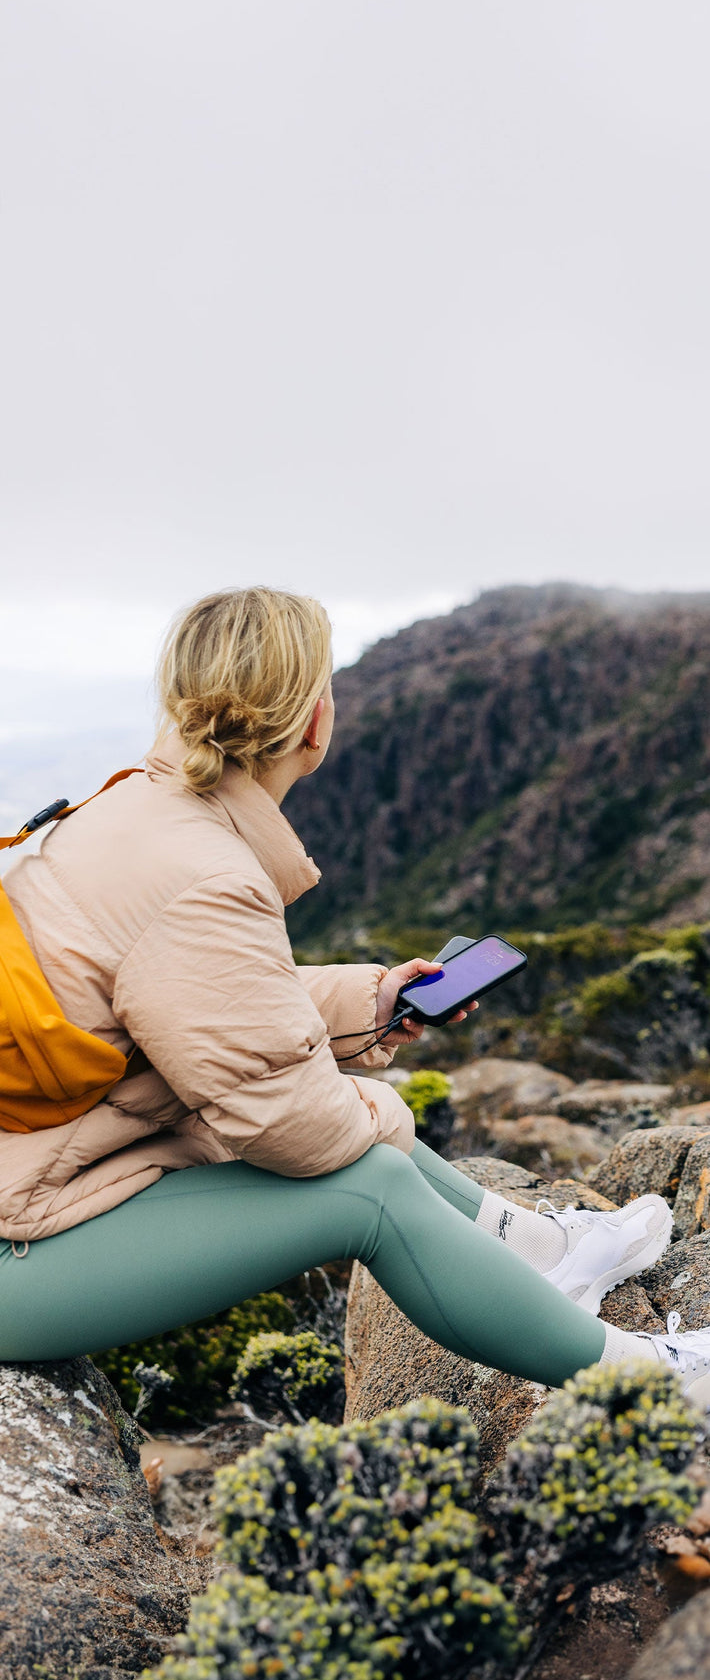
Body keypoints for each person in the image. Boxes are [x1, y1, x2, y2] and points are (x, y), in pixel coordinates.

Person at [1, 586, 708, 1407]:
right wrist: (379, 1111)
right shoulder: (205, 875)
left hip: (32, 1171)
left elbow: (189, 997)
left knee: (351, 1132)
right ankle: (645, 1381)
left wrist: (367, 999)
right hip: (18, 1242)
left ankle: (548, 1254)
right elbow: (292, 1129)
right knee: (368, 1184)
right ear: (313, 720)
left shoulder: (129, 809)